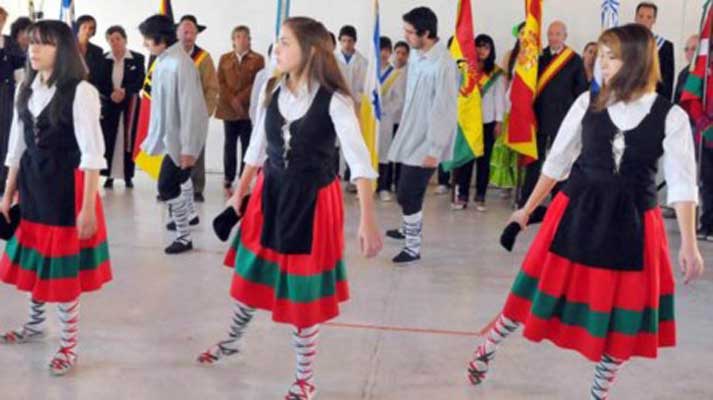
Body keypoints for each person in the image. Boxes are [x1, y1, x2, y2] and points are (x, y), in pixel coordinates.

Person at [466, 24, 704, 400]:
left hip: (634, 223)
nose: (601, 64)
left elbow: (682, 184)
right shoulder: (586, 104)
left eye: (611, 57)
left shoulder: (669, 116)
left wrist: (689, 244)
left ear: (637, 62)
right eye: (601, 56)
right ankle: (488, 346)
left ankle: (599, 390)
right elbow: (556, 163)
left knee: (621, 318)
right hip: (575, 212)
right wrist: (525, 211)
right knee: (534, 291)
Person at [196, 17, 382, 400]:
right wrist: (239, 192)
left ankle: (305, 379)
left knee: (302, 294)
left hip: (313, 203)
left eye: (284, 43)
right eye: (277, 42)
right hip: (270, 196)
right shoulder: (273, 91)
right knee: (251, 277)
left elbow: (360, 162)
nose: (276, 49)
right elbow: (256, 150)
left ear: (311, 51)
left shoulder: (336, 101)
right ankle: (232, 341)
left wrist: (367, 219)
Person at [0, 20, 113, 376]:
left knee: (63, 277)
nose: (33, 50)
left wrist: (88, 209)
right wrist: (7, 193)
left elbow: (94, 155)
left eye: (44, 44)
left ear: (61, 50)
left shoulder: (80, 92)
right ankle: (35, 325)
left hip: (65, 190)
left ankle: (68, 344)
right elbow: (16, 147)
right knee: (36, 263)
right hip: (33, 188)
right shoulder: (26, 89)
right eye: (32, 43)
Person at [386, 7, 458, 264]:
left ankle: (413, 247)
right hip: (410, 134)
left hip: (427, 141)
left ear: (426, 33)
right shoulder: (417, 55)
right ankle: (407, 228)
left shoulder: (444, 64)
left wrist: (435, 149)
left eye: (409, 32)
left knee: (409, 192)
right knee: (403, 188)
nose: (405, 36)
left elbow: (446, 109)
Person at [138, 14, 209, 254]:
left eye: (147, 40)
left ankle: (184, 236)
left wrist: (189, 148)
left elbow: (191, 110)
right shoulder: (164, 61)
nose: (144, 45)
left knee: (167, 187)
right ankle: (189, 215)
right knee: (180, 180)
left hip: (180, 140)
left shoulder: (181, 64)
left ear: (160, 39)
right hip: (170, 136)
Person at [518, 20, 588, 207]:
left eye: (557, 34)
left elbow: (581, 91)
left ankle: (558, 202)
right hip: (538, 117)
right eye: (550, 34)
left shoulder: (574, 60)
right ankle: (526, 201)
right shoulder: (538, 57)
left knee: (562, 160)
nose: (553, 37)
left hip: (563, 119)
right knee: (534, 160)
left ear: (565, 36)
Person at [451, 34, 506, 212]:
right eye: (479, 46)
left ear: (491, 51)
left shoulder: (496, 73)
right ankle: (463, 195)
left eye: (486, 47)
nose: (482, 51)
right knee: (466, 160)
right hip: (468, 121)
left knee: (484, 161)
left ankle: (480, 196)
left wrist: (499, 121)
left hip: (488, 122)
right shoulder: (467, 69)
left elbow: (500, 98)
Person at [216, 25, 265, 197]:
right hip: (228, 110)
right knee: (229, 144)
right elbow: (220, 82)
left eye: (245, 37)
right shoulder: (224, 59)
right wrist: (231, 99)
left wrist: (241, 99)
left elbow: (258, 83)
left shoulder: (258, 59)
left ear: (250, 40)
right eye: (238, 37)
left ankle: (244, 177)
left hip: (247, 110)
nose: (242, 40)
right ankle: (228, 177)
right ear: (233, 40)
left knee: (247, 144)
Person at [175, 15, 218, 204]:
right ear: (177, 33)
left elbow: (212, 87)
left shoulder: (204, 58)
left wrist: (205, 113)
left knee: (196, 152)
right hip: (174, 113)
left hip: (196, 114)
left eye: (192, 32)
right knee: (172, 151)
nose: (188, 36)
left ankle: (197, 188)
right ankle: (171, 185)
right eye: (185, 32)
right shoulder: (169, 55)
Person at [98, 25, 146, 189]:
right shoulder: (103, 59)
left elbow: (140, 80)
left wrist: (125, 91)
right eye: (111, 40)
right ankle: (109, 176)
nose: (115, 42)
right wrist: (111, 93)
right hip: (109, 104)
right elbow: (100, 82)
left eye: (118, 38)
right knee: (109, 137)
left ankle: (127, 176)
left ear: (125, 39)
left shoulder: (137, 58)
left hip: (130, 104)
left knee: (128, 139)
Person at [489, 22, 525, 200]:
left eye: (529, 32)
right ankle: (507, 185)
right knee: (507, 145)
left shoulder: (537, 56)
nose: (525, 36)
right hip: (509, 105)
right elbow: (502, 83)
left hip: (526, 108)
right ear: (517, 35)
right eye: (522, 33)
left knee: (523, 147)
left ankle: (522, 184)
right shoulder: (510, 56)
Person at [335, 25, 367, 192]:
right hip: (336, 106)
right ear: (340, 41)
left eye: (350, 41)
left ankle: (350, 177)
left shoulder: (362, 62)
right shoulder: (333, 60)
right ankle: (334, 177)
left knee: (352, 143)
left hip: (355, 107)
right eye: (344, 40)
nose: (347, 44)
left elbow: (364, 88)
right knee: (335, 144)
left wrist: (356, 102)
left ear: (355, 42)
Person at [376, 36, 406, 202]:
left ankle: (384, 187)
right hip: (369, 119)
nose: (383, 54)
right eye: (380, 50)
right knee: (369, 152)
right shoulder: (369, 71)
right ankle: (368, 187)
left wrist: (384, 109)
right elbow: (359, 91)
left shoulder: (395, 74)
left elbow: (399, 99)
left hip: (385, 119)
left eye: (386, 50)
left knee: (384, 154)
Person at [0, 8, 27, 193]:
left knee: (6, 135)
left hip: (6, 94)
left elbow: (21, 65)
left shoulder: (9, 42)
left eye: (2, 20)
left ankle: (5, 179)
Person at [635, 2, 675, 101]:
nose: (644, 20)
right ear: (635, 17)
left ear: (654, 20)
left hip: (653, 100)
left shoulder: (665, 46)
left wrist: (662, 108)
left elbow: (667, 82)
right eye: (641, 16)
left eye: (649, 17)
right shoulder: (625, 43)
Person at [75, 15, 105, 89]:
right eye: (84, 27)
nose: (87, 31)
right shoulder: (66, 47)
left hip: (88, 90)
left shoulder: (98, 51)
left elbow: (98, 76)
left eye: (91, 28)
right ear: (78, 28)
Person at [674, 34, 699, 104]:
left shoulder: (708, 72)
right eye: (686, 49)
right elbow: (676, 101)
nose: (689, 52)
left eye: (693, 49)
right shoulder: (682, 74)